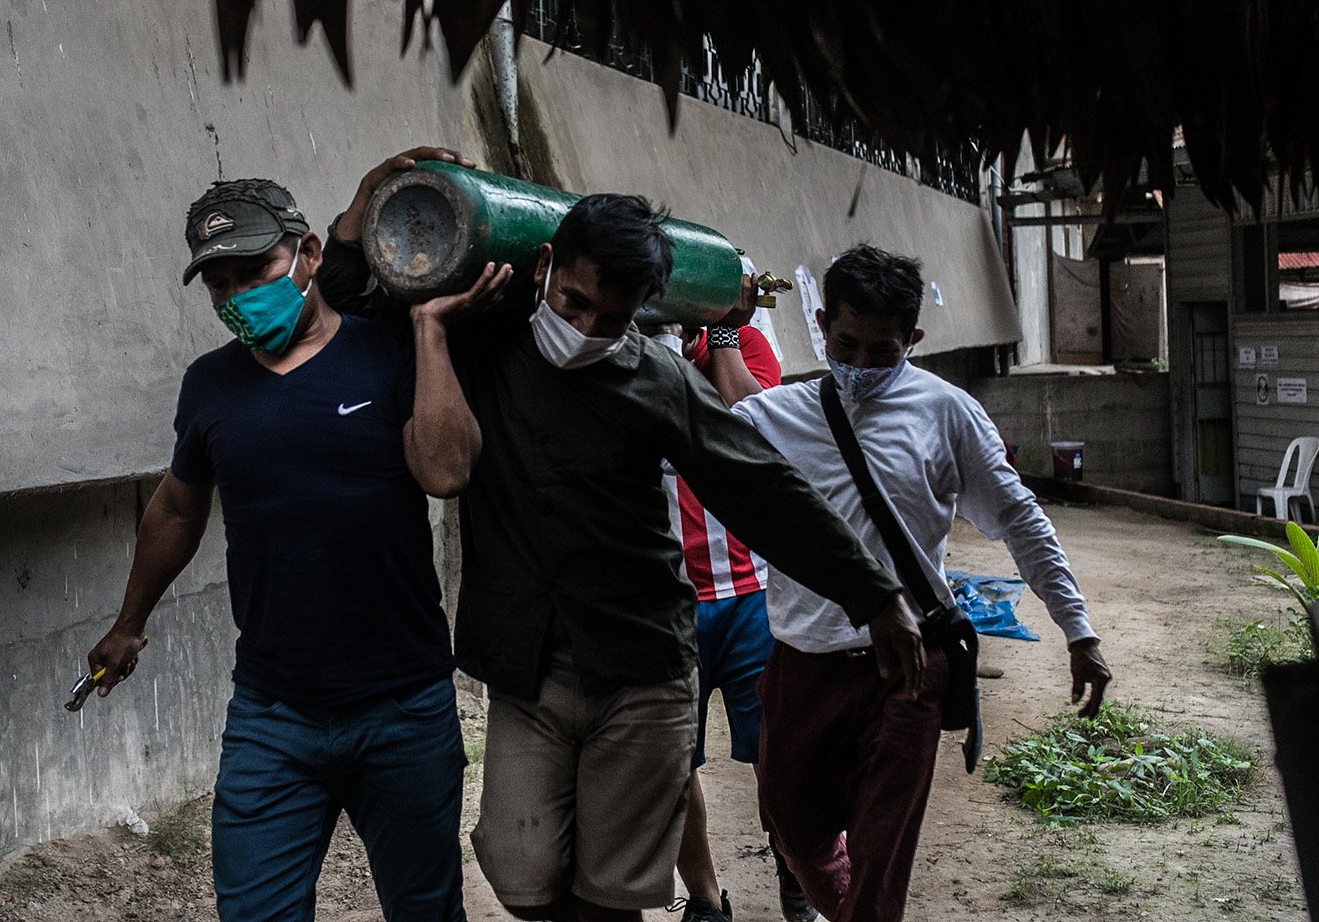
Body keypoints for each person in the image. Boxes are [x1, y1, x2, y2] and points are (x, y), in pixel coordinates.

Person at [319, 158, 920, 922]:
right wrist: (365, 200)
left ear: (641, 312)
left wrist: (875, 594)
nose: (585, 330)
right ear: (545, 268)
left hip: (641, 666)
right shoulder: (481, 340)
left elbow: (763, 490)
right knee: (523, 872)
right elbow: (353, 297)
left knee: (610, 895)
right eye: (573, 303)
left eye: (612, 317)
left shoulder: (657, 381)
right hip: (530, 670)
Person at [85, 164, 509, 922]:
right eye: (220, 283)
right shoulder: (209, 386)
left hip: (402, 708)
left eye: (256, 270)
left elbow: (446, 472)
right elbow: (178, 509)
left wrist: (428, 329)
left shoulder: (391, 352)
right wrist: (128, 622)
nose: (239, 294)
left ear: (309, 254)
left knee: (425, 909)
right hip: (274, 713)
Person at [733, 244, 1114, 922]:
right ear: (821, 325)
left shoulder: (948, 413)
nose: (858, 367)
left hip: (907, 667)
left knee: (882, 852)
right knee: (793, 827)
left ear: (913, 339)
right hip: (802, 663)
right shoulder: (774, 418)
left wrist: (1077, 629)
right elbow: (680, 452)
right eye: (846, 345)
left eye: (882, 352)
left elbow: (1020, 521)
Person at [653, 319, 813, 922]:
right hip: (669, 602)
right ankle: (704, 900)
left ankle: (796, 873)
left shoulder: (743, 346)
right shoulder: (629, 354)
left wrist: (718, 337)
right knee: (673, 763)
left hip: (751, 596)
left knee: (779, 752)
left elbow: (752, 418)